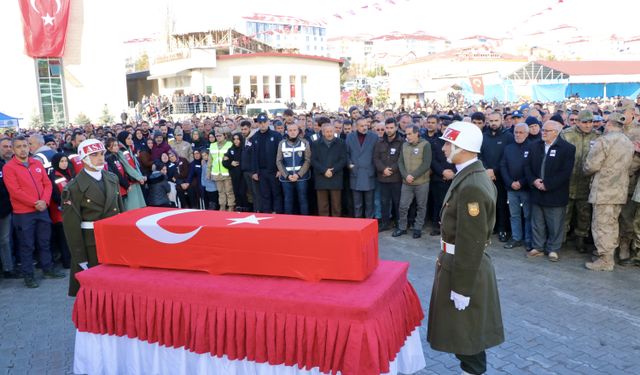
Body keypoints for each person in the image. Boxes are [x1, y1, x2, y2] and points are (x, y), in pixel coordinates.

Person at [427, 121, 504, 375]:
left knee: (468, 337)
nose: (444, 149)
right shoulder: (468, 176)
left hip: (464, 270)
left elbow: (471, 242)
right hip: (456, 265)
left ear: (463, 148)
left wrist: (461, 288)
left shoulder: (471, 184)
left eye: (449, 144)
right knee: (463, 334)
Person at [62, 139, 124, 296]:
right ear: (84, 158)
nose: (100, 158)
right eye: (94, 154)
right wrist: (79, 257)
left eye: (102, 153)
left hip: (114, 239)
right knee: (96, 292)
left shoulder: (112, 178)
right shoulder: (74, 187)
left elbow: (120, 211)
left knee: (117, 286)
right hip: (92, 244)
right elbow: (71, 227)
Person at [3, 136, 65, 288]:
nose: (23, 149)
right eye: (19, 146)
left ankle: (48, 268)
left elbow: (47, 184)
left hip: (42, 209)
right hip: (24, 213)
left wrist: (44, 201)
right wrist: (35, 203)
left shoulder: (36, 163)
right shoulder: (9, 168)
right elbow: (15, 191)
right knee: (27, 245)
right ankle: (28, 275)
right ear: (13, 149)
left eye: (25, 145)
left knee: (45, 242)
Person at [584, 113, 634, 271]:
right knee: (612, 224)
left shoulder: (604, 141)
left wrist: (585, 169)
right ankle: (608, 254)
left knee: (601, 225)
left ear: (609, 124)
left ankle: (605, 259)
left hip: (603, 190)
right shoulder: (628, 142)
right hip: (619, 190)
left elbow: (591, 166)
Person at [525, 120, 575, 261]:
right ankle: (538, 247)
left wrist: (547, 184)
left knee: (555, 224)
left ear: (557, 132)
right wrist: (534, 181)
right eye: (543, 130)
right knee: (537, 222)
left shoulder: (567, 148)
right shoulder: (534, 146)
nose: (544, 133)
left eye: (547, 131)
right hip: (536, 190)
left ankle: (553, 249)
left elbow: (565, 172)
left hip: (555, 193)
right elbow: (527, 166)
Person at [560, 109, 599, 252]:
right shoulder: (566, 134)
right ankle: (561, 239)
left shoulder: (598, 136)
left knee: (584, 213)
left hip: (586, 183)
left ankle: (580, 240)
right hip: (568, 181)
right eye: (585, 122)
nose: (588, 125)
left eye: (590, 122)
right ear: (577, 122)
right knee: (565, 212)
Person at [395, 125, 432, 238]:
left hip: (422, 182)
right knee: (403, 206)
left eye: (410, 134)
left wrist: (413, 175)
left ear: (417, 133)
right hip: (407, 182)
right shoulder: (404, 145)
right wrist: (406, 176)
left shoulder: (425, 145)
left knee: (421, 206)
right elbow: (400, 162)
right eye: (406, 134)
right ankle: (402, 227)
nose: (408, 136)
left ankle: (418, 228)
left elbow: (426, 164)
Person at [480, 112, 512, 242]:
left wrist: (494, 171)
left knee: (501, 204)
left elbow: (507, 157)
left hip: (501, 176)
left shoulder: (508, 136)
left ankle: (502, 229)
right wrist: (487, 170)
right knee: (487, 204)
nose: (493, 123)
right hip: (485, 175)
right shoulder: (483, 136)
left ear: (501, 121)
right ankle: (489, 228)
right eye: (491, 120)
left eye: (496, 120)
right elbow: (479, 155)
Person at [500, 123, 532, 250]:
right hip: (511, 188)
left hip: (526, 188)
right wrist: (510, 182)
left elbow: (532, 168)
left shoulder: (532, 147)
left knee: (528, 215)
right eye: (516, 133)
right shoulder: (508, 148)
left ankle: (529, 239)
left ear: (527, 134)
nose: (518, 135)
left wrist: (521, 182)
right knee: (514, 215)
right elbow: (503, 166)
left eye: (521, 132)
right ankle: (516, 237)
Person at [374, 117, 404, 231]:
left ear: (396, 127)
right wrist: (383, 170)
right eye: (387, 128)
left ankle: (398, 223)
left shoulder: (401, 142)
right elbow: (376, 158)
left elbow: (401, 159)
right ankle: (385, 223)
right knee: (384, 202)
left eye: (391, 127)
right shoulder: (379, 142)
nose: (389, 130)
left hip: (396, 178)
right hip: (382, 177)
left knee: (397, 202)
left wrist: (390, 170)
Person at [312, 122, 348, 217]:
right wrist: (324, 170)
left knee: (336, 205)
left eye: (331, 131)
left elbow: (343, 159)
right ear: (323, 132)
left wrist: (333, 170)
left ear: (334, 132)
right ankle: (324, 226)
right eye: (327, 131)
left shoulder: (341, 143)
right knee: (322, 205)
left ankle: (336, 226)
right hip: (321, 177)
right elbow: (313, 160)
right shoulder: (316, 144)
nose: (329, 134)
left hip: (336, 176)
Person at [251, 113, 283, 213]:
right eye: (260, 123)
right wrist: (255, 171)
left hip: (274, 171)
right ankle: (267, 214)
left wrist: (279, 169)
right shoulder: (255, 137)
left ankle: (278, 214)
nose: (262, 124)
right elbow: (253, 155)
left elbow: (281, 154)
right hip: (261, 171)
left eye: (264, 122)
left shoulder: (276, 135)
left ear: (268, 122)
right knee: (265, 194)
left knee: (276, 193)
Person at [346, 117, 378, 218]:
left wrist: (373, 168)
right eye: (362, 126)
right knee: (357, 204)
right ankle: (358, 224)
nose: (365, 127)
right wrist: (350, 165)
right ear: (356, 126)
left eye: (366, 125)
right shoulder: (350, 137)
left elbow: (377, 154)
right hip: (356, 173)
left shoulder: (374, 137)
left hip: (369, 173)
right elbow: (346, 153)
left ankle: (369, 224)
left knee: (369, 203)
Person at [276, 122, 311, 215]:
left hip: (301, 177)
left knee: (303, 199)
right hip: (286, 178)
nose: (292, 132)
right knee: (288, 200)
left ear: (298, 131)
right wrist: (287, 175)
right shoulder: (282, 143)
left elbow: (307, 160)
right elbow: (278, 161)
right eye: (290, 130)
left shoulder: (305, 142)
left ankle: (305, 222)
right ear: (286, 131)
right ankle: (288, 223)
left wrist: (298, 174)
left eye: (294, 130)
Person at [48, 153, 74, 269]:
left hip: (71, 210)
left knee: (70, 237)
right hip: (59, 213)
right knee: (63, 239)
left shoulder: (69, 173)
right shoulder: (53, 176)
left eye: (65, 161)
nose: (64, 163)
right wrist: (64, 202)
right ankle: (66, 262)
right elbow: (54, 195)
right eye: (62, 161)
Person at [0, 137, 20, 279]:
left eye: (9, 146)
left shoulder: (15, 163)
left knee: (5, 240)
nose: (7, 149)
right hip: (5, 207)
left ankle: (8, 268)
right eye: (4, 146)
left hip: (7, 209)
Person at [115, 131, 146, 210]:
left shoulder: (128, 148)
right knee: (133, 206)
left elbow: (135, 164)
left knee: (139, 206)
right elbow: (127, 167)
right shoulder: (120, 151)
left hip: (135, 179)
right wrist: (139, 177)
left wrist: (140, 176)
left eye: (131, 138)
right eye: (128, 139)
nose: (131, 140)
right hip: (129, 181)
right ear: (123, 139)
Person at [209, 127, 235, 211]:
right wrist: (208, 172)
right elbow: (210, 160)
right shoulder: (212, 145)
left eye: (220, 135)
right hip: (216, 173)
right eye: (217, 136)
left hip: (227, 172)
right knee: (220, 192)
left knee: (229, 191)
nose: (218, 137)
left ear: (224, 136)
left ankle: (231, 206)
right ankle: (222, 206)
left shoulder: (230, 144)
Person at [223, 133, 248, 211]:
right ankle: (238, 207)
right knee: (236, 191)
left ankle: (246, 207)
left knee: (242, 192)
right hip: (234, 175)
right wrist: (230, 163)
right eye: (234, 139)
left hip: (244, 174)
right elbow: (224, 161)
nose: (236, 141)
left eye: (237, 139)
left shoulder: (245, 148)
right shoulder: (231, 149)